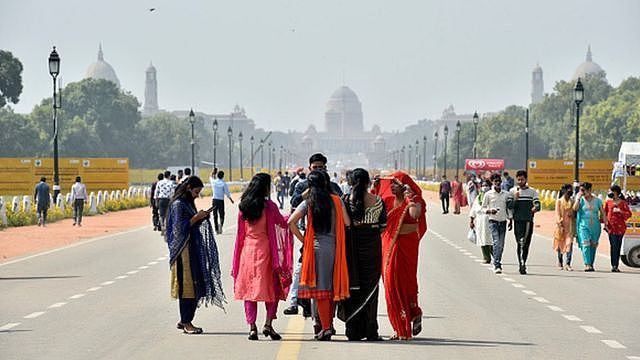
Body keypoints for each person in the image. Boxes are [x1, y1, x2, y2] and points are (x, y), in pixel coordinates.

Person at [287, 171, 351, 341]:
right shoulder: (337, 201)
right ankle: (327, 325)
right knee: (330, 289)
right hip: (334, 249)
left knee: (321, 290)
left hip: (315, 249)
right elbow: (347, 223)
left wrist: (305, 240)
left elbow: (291, 222)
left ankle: (327, 327)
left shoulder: (309, 202)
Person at [233, 173, 292, 340]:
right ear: (266, 187)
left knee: (249, 290)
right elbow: (281, 222)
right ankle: (268, 324)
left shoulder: (243, 207)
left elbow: (240, 233)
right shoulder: (269, 207)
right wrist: (292, 215)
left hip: (248, 251)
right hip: (266, 251)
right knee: (272, 287)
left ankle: (252, 327)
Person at [166, 176, 226, 334]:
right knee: (187, 288)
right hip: (182, 252)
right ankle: (186, 321)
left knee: (196, 285)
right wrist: (195, 218)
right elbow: (179, 230)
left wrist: (201, 217)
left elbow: (190, 224)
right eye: (196, 192)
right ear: (188, 188)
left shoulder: (186, 203)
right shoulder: (178, 204)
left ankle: (185, 319)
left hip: (192, 249)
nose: (196, 195)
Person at [373, 171, 426, 340]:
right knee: (390, 284)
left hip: (407, 247)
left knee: (406, 283)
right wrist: (374, 188)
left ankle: (411, 317)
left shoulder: (415, 201)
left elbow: (415, 215)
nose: (392, 186)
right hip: (388, 247)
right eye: (392, 183)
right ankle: (400, 325)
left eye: (396, 183)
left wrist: (410, 196)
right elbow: (372, 208)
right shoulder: (387, 201)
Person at [341, 168, 386, 341]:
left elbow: (344, 224)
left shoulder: (346, 200)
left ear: (351, 182)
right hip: (372, 247)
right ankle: (370, 330)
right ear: (368, 182)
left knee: (353, 286)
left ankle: (353, 330)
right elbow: (383, 225)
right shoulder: (378, 201)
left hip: (351, 247)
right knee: (371, 288)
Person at [507, 170, 540, 275]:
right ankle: (521, 262)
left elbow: (538, 204)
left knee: (525, 243)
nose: (520, 181)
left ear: (526, 179)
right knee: (519, 242)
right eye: (518, 179)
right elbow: (509, 206)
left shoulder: (532, 191)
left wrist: (535, 207)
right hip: (517, 220)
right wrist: (515, 199)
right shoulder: (512, 191)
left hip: (527, 221)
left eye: (522, 179)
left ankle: (523, 262)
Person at [482, 173, 513, 274]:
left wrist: (511, 220)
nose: (498, 183)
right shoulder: (488, 194)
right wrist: (490, 211)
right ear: (492, 182)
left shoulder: (506, 194)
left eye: (499, 181)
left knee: (501, 244)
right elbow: (483, 208)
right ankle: (497, 264)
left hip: (503, 221)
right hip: (493, 221)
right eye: (496, 181)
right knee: (496, 242)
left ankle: (497, 260)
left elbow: (508, 209)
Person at [573, 182, 606, 272]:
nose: (582, 192)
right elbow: (575, 209)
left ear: (589, 190)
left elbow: (603, 213)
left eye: (583, 190)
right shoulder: (581, 200)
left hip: (595, 225)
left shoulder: (597, 200)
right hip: (583, 225)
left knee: (593, 245)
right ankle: (587, 264)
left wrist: (606, 224)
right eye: (581, 190)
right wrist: (578, 199)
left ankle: (591, 263)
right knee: (586, 244)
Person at [603, 185, 632, 272]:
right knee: (613, 246)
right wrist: (605, 224)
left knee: (618, 246)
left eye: (612, 191)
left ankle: (616, 265)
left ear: (616, 192)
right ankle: (614, 265)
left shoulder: (623, 203)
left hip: (620, 228)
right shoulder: (608, 202)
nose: (610, 193)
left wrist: (620, 211)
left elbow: (628, 214)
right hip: (611, 228)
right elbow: (604, 213)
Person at [470, 179, 493, 263]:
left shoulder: (492, 196)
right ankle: (486, 257)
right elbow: (474, 209)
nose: (484, 187)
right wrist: (472, 220)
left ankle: (495, 256)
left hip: (490, 220)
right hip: (480, 221)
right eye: (483, 185)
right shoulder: (478, 197)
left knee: (491, 239)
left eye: (486, 185)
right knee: (482, 239)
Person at [553, 184, 575, 271]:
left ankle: (568, 263)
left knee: (569, 244)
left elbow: (575, 213)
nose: (570, 192)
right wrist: (560, 223)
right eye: (568, 190)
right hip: (561, 226)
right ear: (564, 191)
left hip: (570, 226)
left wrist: (572, 214)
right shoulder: (559, 201)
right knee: (560, 244)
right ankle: (560, 261)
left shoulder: (572, 201)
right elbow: (557, 214)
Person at [155, 170, 175, 235]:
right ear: (169, 176)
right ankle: (167, 228)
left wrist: (156, 201)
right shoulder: (171, 183)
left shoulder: (159, 182)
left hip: (161, 200)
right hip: (169, 200)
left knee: (161, 215)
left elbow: (156, 192)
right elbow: (173, 192)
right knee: (168, 214)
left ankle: (162, 227)